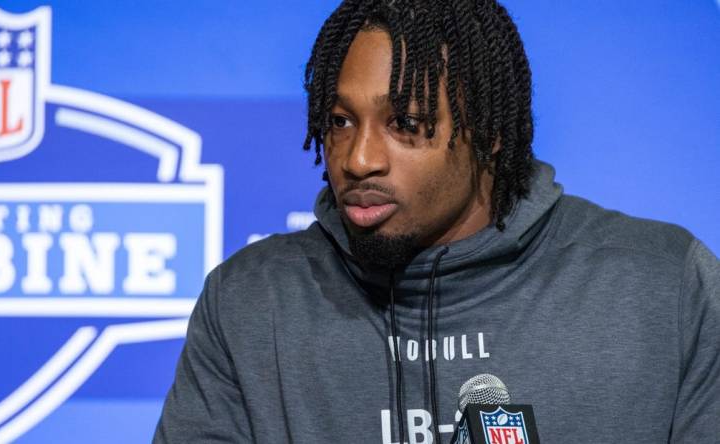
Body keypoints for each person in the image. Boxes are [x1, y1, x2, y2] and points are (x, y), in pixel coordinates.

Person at [154, 0, 720, 442]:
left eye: (405, 122)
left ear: (491, 133)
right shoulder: (251, 301)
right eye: (342, 120)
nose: (358, 159)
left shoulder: (664, 286)